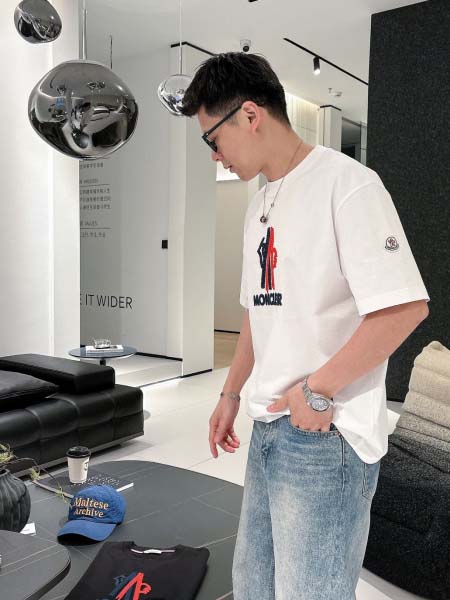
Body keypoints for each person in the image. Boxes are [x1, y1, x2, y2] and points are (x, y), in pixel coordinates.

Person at [181, 52, 430, 600]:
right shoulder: (259, 203)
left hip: (325, 432)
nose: (216, 156)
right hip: (270, 424)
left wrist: (316, 392)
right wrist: (230, 394)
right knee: (254, 585)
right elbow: (258, 309)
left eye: (212, 139)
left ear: (250, 115)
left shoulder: (348, 184)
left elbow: (403, 308)